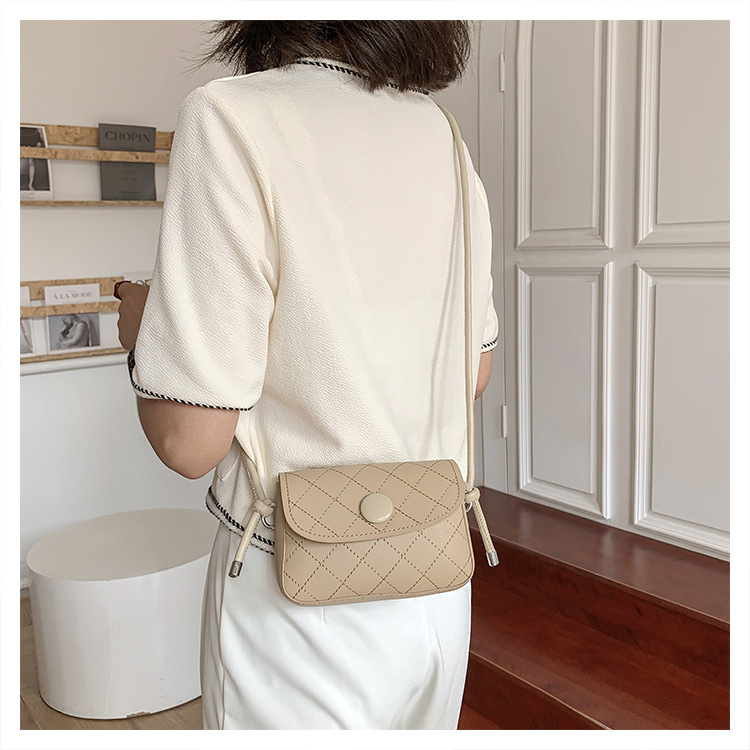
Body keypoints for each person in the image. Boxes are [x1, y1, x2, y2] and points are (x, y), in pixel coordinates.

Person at [116, 21, 499, 730]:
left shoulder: (231, 117)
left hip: (295, 589)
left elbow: (188, 442)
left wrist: (143, 335)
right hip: (435, 574)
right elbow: (474, 373)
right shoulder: (443, 135)